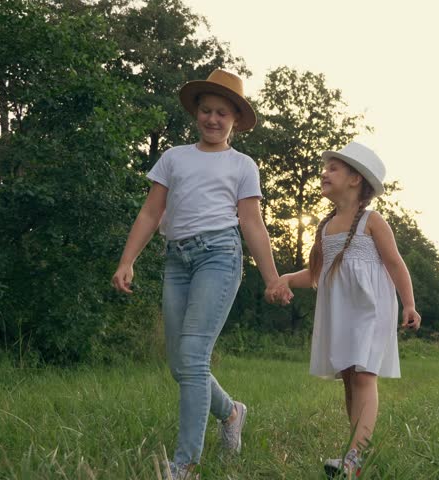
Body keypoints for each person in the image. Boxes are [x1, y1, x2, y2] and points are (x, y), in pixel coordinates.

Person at [111, 69, 292, 479]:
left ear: (235, 121)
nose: (213, 119)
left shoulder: (242, 164)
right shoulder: (174, 157)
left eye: (222, 113)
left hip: (220, 255)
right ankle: (231, 414)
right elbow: (151, 212)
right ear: (196, 113)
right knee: (180, 364)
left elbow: (252, 224)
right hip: (177, 260)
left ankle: (185, 464)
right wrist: (127, 260)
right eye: (206, 111)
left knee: (193, 357)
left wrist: (272, 279)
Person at [269, 141, 421, 477]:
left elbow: (395, 264)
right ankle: (358, 451)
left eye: (333, 168)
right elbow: (315, 273)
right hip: (341, 311)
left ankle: (354, 457)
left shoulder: (372, 221)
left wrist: (408, 303)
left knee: (365, 374)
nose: (324, 173)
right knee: (350, 379)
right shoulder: (324, 227)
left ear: (355, 180)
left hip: (371, 307)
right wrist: (286, 279)